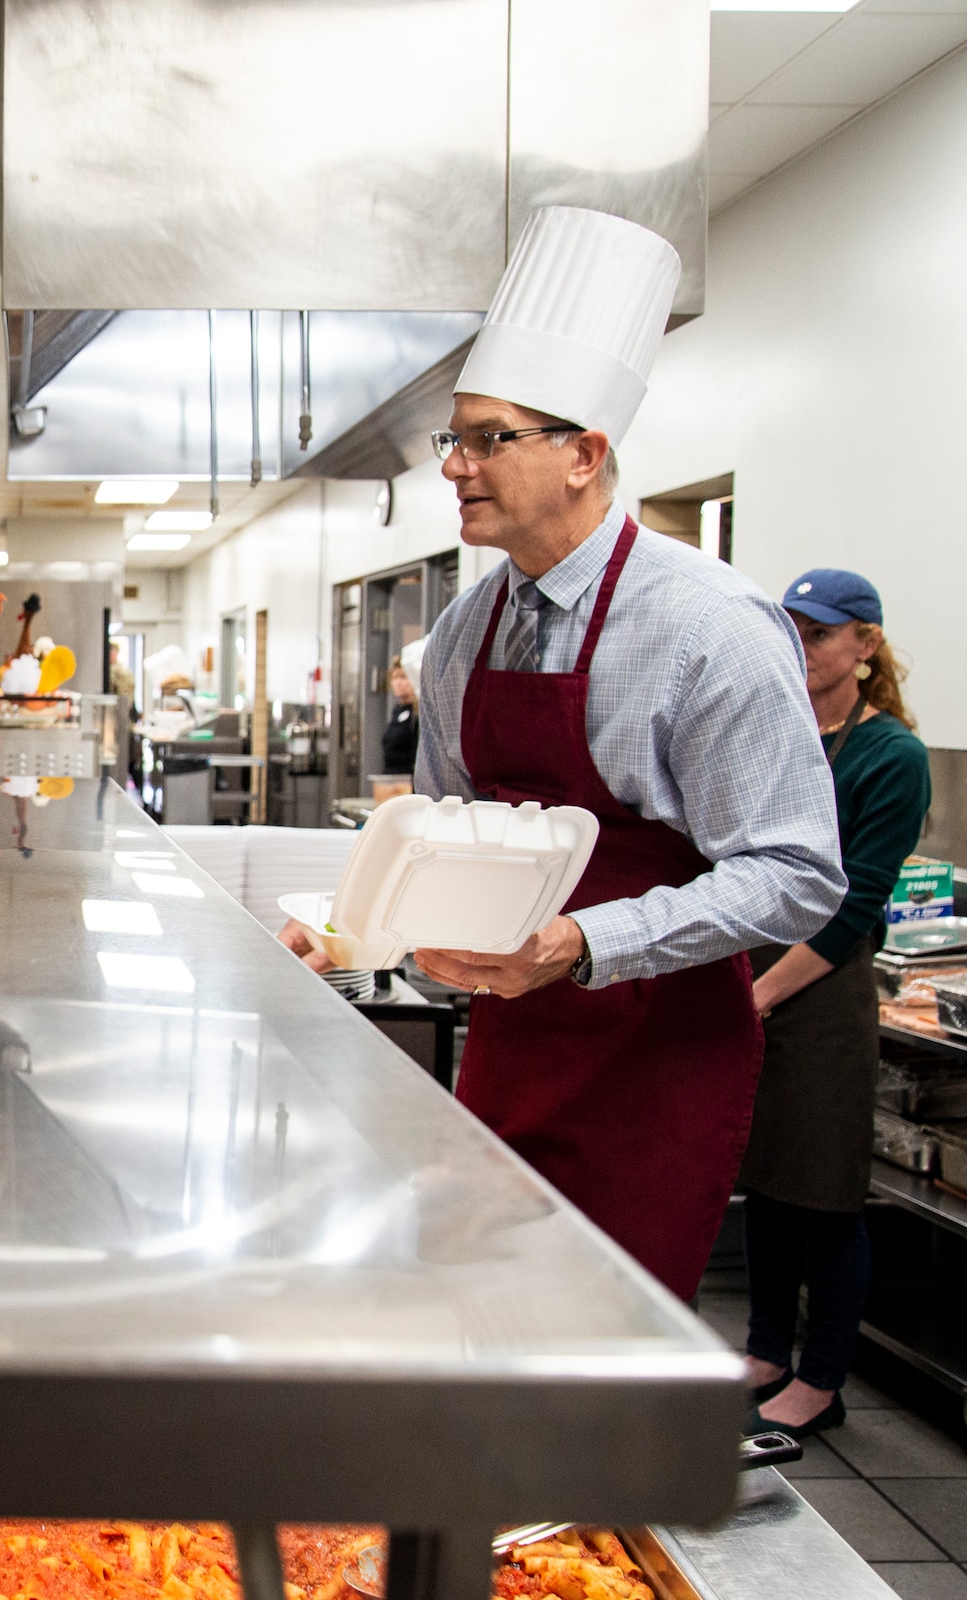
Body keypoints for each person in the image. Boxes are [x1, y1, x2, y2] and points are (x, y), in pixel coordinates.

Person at [366, 208, 845, 1301]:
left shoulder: (709, 627)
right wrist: (362, 922)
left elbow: (795, 872)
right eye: (454, 438)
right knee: (488, 1322)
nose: (456, 467)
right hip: (511, 1047)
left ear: (584, 455)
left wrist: (584, 940)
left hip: (656, 1061)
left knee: (613, 1365)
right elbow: (442, 836)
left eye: (490, 438)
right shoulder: (461, 637)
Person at [741, 570, 930, 1437]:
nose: (802, 647)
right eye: (793, 630)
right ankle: (765, 1349)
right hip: (755, 976)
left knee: (824, 1192)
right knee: (768, 1185)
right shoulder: (780, 733)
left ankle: (822, 1379)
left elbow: (857, 904)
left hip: (819, 988)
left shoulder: (891, 756)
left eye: (818, 634)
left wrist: (766, 993)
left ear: (865, 645)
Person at [379, 653, 420, 776]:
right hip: (391, 778)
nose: (398, 683)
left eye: (403, 677)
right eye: (395, 677)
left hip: (409, 778)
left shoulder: (417, 712)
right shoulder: (397, 710)